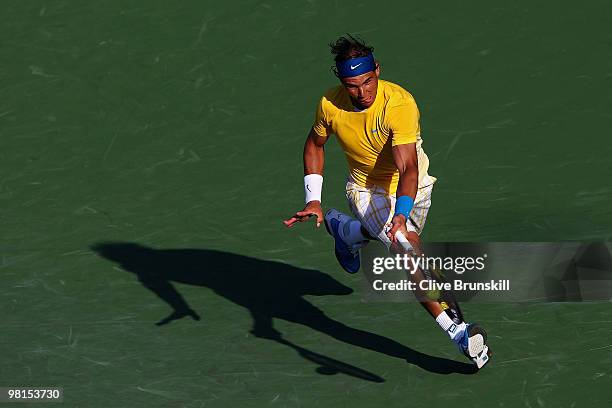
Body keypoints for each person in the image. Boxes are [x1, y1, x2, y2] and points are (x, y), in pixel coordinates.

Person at [284, 35, 490, 369]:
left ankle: (346, 232)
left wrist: (402, 213)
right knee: (408, 248)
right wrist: (314, 200)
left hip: (414, 186)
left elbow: (407, 167)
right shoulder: (329, 105)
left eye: (368, 82)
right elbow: (314, 146)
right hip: (366, 190)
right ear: (341, 81)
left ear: (377, 70)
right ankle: (457, 333)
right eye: (352, 86)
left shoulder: (399, 105)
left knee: (397, 237)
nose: (362, 92)